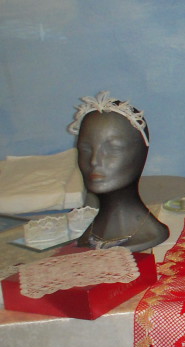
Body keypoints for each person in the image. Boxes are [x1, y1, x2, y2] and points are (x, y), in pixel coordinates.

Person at [68, 92, 169, 252]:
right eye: (85, 149)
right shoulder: (90, 235)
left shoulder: (150, 232)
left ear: (140, 155)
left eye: (113, 149)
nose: (94, 161)